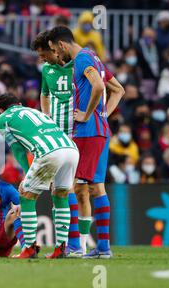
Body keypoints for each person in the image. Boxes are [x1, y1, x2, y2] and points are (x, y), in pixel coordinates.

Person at [48, 26, 125, 258]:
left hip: (87, 132)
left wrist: (87, 114)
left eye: (54, 50)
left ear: (61, 45)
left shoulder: (81, 59)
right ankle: (103, 247)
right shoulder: (93, 57)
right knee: (96, 187)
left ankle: (73, 246)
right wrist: (102, 115)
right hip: (101, 131)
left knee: (67, 184)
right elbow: (118, 90)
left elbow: (99, 87)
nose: (56, 56)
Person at [0, 93, 79, 259]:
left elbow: (17, 149)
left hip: (49, 152)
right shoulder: (36, 111)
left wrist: (26, 174)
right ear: (19, 103)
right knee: (61, 196)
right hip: (71, 149)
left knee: (26, 197)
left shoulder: (2, 119)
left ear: (0, 109)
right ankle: (61, 248)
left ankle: (29, 248)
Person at [31, 30, 81, 256]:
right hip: (57, 135)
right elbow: (44, 95)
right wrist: (47, 117)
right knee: (59, 188)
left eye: (44, 55)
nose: (42, 59)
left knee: (81, 187)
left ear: (55, 49)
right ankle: (70, 244)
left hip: (78, 132)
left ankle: (79, 242)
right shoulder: (46, 70)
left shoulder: (78, 65)